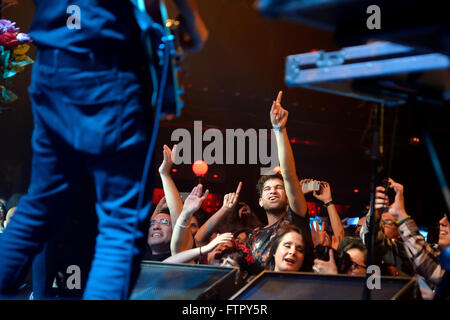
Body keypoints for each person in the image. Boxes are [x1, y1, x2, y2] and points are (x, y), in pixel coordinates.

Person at [0, 0, 208, 300]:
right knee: (119, 226)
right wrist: (193, 21)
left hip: (53, 62)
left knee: (38, 207)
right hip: (108, 65)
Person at [246, 91, 313, 271]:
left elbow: (289, 175)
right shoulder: (253, 236)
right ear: (260, 201)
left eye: (278, 187)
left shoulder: (295, 220)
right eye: (267, 189)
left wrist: (279, 130)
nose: (273, 191)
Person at [374, 178, 449, 297]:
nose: (442, 221)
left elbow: (434, 269)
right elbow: (376, 245)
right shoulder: (435, 252)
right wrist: (374, 216)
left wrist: (401, 215)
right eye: (444, 216)